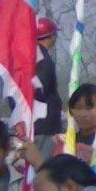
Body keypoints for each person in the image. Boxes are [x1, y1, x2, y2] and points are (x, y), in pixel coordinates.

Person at [31, 15, 63, 153]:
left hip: (34, 123)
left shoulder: (30, 55)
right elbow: (39, 89)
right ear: (51, 36)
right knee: (41, 162)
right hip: (43, 125)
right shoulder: (42, 59)